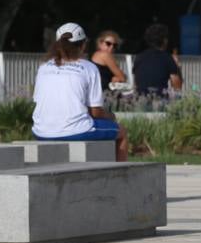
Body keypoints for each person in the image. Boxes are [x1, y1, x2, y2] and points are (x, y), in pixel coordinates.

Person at [31, 22, 129, 161]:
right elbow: (95, 112)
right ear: (83, 45)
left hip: (40, 130)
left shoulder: (44, 67)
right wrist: (110, 116)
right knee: (122, 132)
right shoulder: (88, 68)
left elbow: (38, 101)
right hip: (76, 130)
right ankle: (120, 178)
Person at [133, 23, 184, 96]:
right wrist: (178, 67)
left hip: (140, 101)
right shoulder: (168, 58)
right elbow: (177, 87)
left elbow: (136, 84)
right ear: (165, 40)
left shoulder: (139, 57)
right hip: (160, 102)